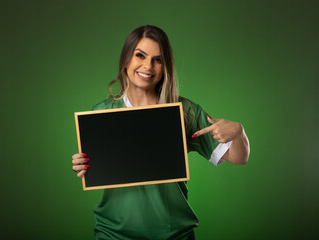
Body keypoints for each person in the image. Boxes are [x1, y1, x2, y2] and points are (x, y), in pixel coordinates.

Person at [72, 25, 250, 240]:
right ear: (126, 59)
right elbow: (96, 167)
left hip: (173, 235)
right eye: (140, 56)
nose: (148, 66)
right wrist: (83, 164)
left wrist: (238, 132)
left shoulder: (185, 111)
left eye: (158, 59)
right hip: (114, 234)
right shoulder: (101, 112)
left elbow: (239, 158)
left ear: (166, 66)